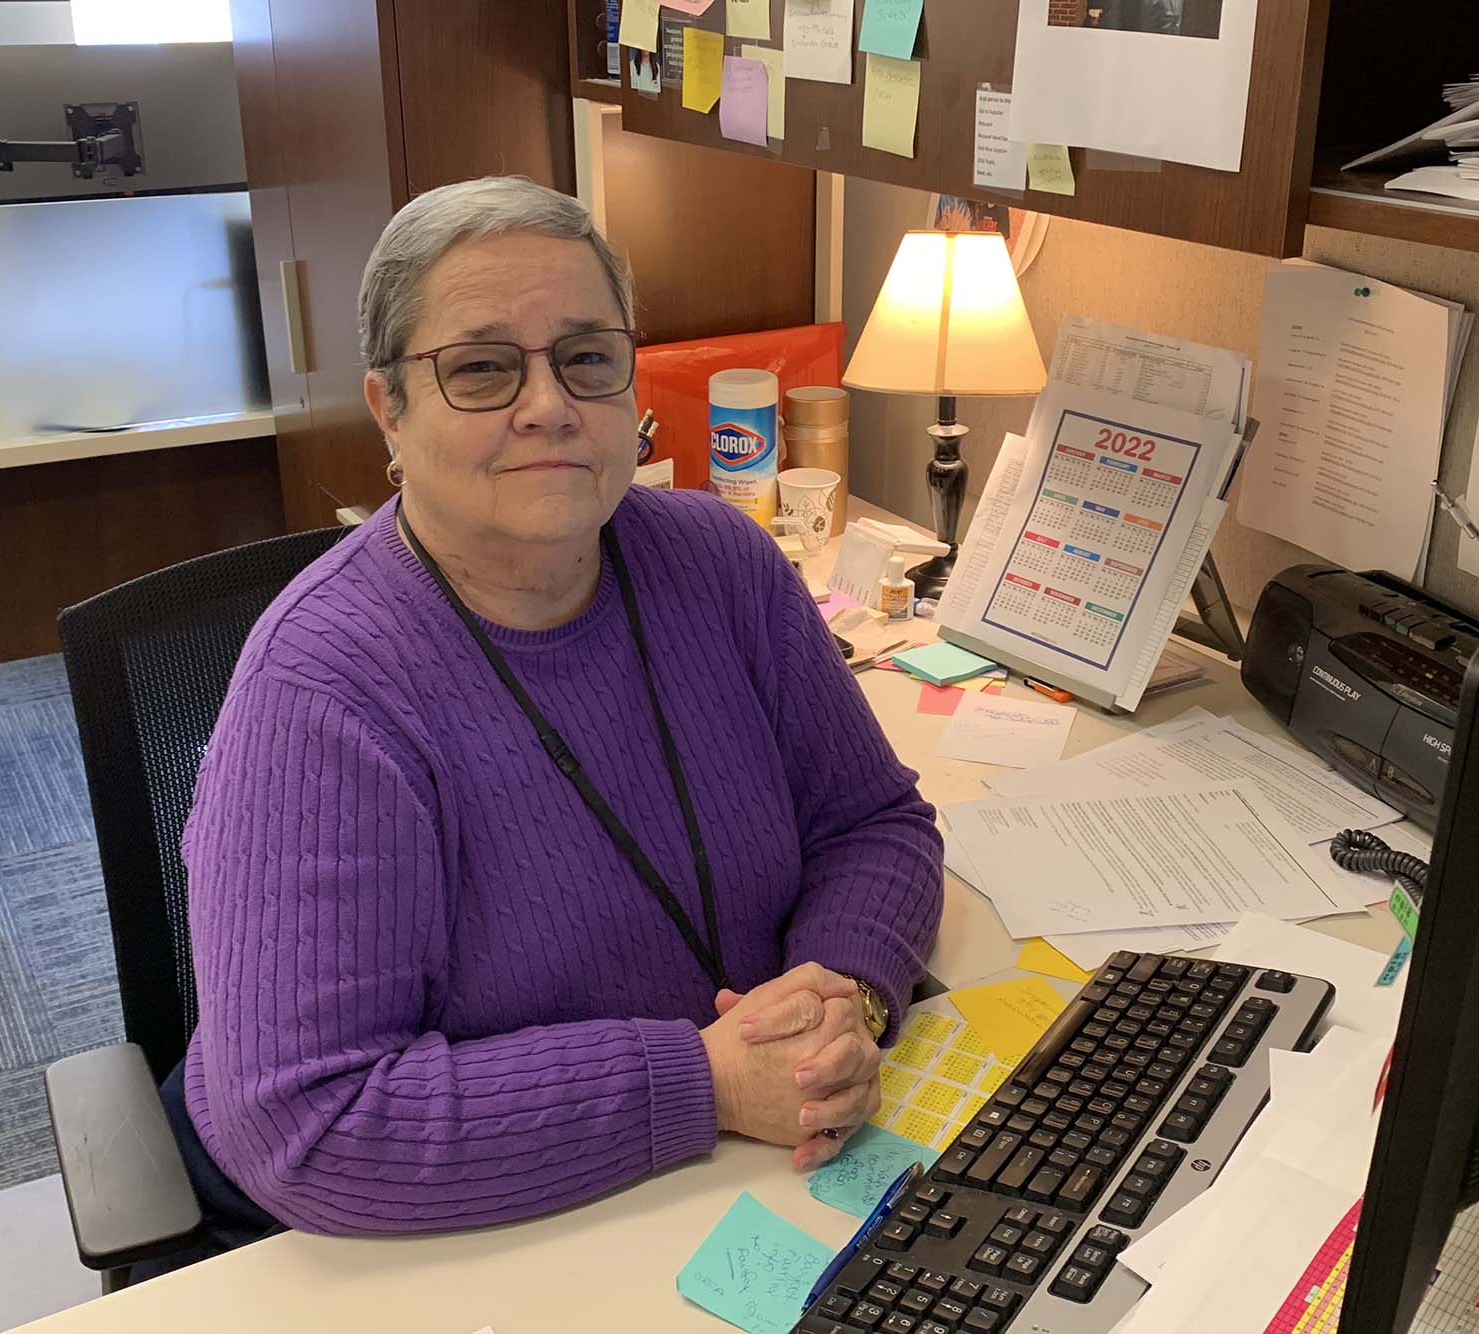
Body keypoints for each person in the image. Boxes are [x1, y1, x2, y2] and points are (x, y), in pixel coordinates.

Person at [158, 175, 945, 1252]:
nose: (548, 403)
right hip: (434, 1228)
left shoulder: (723, 564)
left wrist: (840, 1001)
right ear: (388, 407)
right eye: (480, 367)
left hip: (729, 1169)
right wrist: (700, 1079)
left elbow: (872, 824)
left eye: (585, 356)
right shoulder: (320, 691)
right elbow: (313, 1122)